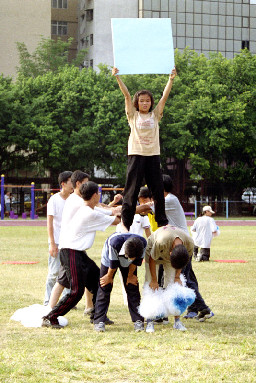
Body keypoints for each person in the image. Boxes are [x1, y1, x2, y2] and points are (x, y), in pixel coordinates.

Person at [42, 181, 120, 329]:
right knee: (76, 291)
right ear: (95, 195)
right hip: (70, 252)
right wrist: (131, 212)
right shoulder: (88, 213)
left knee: (99, 280)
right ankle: (50, 317)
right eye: (99, 193)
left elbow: (108, 211)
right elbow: (116, 220)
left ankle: (97, 314)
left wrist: (118, 209)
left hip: (77, 252)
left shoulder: (88, 208)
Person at [137, 176, 214, 323]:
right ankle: (194, 309)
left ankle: (202, 308)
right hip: (178, 242)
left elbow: (145, 208)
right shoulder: (168, 199)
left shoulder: (168, 200)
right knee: (188, 277)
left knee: (178, 278)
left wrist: (124, 210)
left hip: (179, 245)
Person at [112, 66, 177, 232]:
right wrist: (118, 77)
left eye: (148, 101)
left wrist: (171, 79)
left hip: (153, 155)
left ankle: (162, 222)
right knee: (131, 191)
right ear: (137, 103)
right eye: (142, 101)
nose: (145, 103)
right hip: (136, 155)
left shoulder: (155, 115)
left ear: (151, 103)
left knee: (157, 189)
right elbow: (126, 94)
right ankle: (126, 223)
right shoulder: (133, 115)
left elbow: (164, 97)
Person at [93, 233, 147, 332]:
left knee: (132, 286)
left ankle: (138, 321)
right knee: (105, 286)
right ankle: (99, 321)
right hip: (110, 260)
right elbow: (113, 265)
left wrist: (130, 276)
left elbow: (135, 262)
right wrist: (109, 277)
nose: (130, 259)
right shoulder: (114, 243)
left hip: (130, 257)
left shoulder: (142, 243)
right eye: (129, 257)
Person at [144, 225, 191, 333]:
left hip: (173, 253)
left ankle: (177, 321)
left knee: (174, 287)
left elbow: (183, 260)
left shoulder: (189, 243)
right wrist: (154, 280)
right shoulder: (161, 241)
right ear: (170, 252)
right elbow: (152, 259)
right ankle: (150, 320)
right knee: (151, 285)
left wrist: (177, 276)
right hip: (153, 252)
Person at [43, 171, 73, 306]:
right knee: (54, 273)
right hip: (57, 241)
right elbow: (49, 222)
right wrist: (52, 243)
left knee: (69, 272)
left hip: (71, 242)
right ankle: (48, 301)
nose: (74, 185)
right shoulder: (54, 200)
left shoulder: (74, 200)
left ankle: (65, 301)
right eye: (71, 182)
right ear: (63, 184)